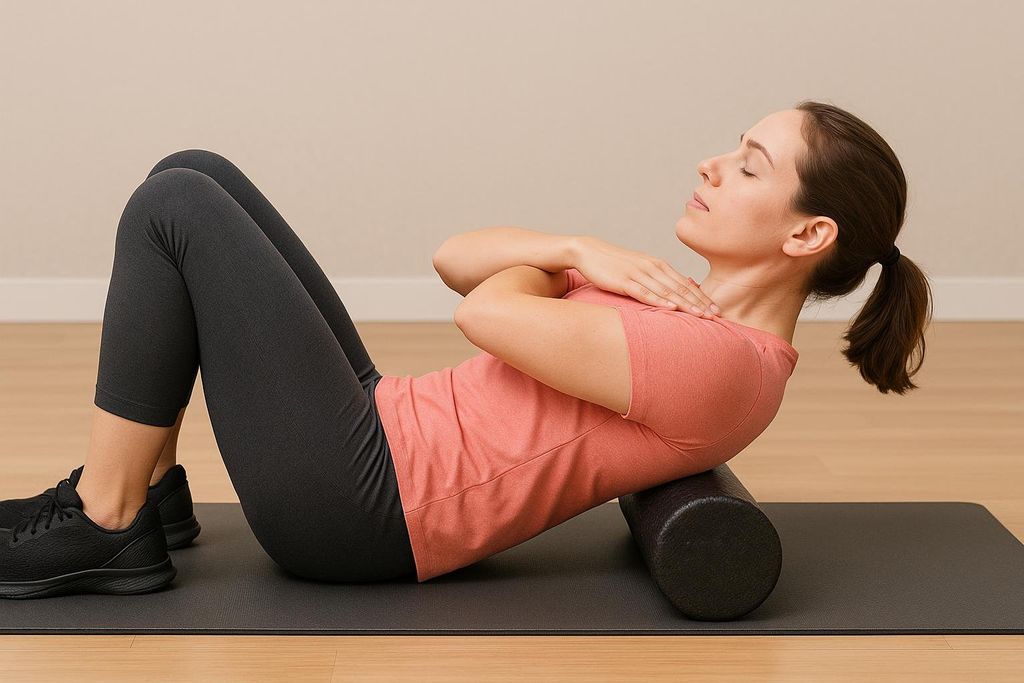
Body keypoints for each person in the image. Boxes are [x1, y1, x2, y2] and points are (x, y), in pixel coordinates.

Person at [0, 100, 932, 598]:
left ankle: (110, 520)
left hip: (370, 509)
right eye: (733, 147)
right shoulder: (675, 303)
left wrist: (563, 260)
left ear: (808, 236)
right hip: (379, 439)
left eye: (749, 165)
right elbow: (456, 258)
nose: (711, 164)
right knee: (194, 174)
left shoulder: (723, 362)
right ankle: (149, 496)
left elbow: (483, 313)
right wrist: (571, 252)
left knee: (175, 211)